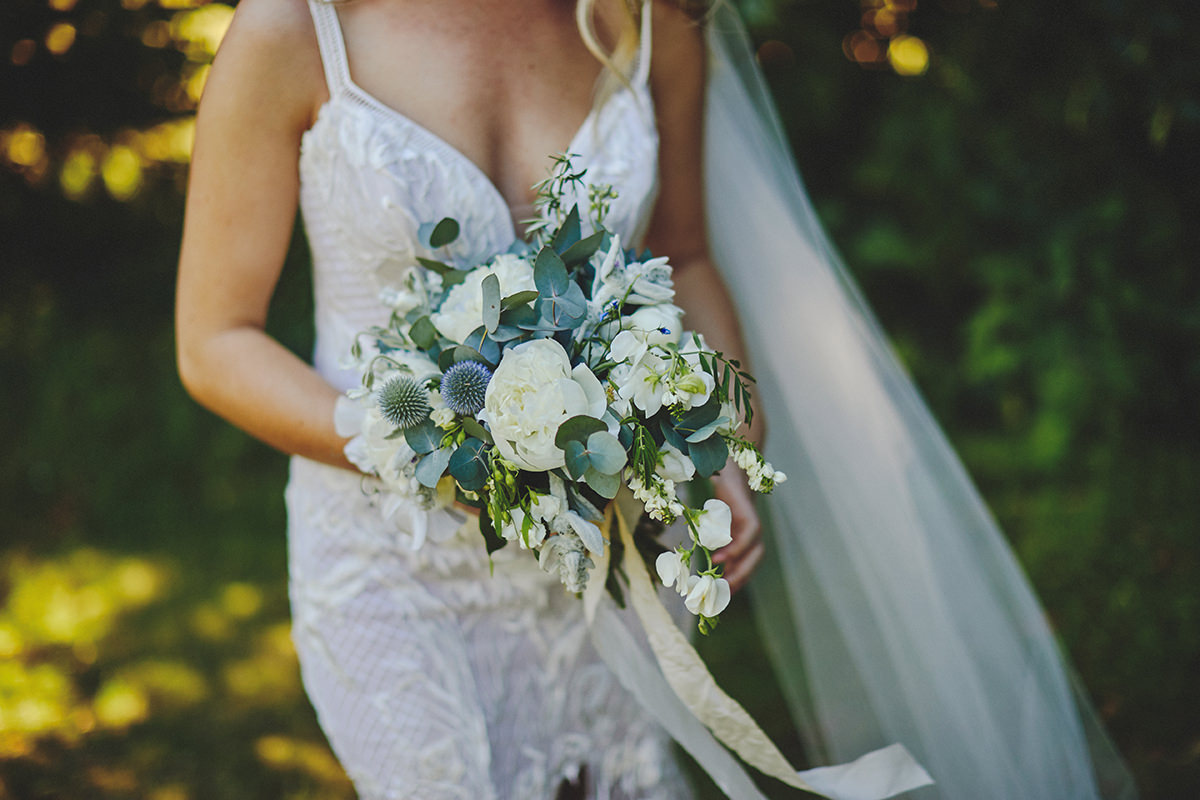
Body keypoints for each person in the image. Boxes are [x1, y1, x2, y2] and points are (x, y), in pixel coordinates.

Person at [175, 0, 1137, 798]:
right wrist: (432, 438)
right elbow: (216, 344)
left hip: (612, 542)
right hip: (394, 562)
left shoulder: (647, 19)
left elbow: (687, 255)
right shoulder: (294, 33)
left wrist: (717, 448)